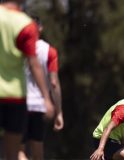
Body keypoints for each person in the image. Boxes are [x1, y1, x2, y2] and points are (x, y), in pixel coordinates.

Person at [0, 1, 54, 159]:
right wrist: (46, 97)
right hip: (15, 96)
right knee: (12, 153)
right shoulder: (25, 24)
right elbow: (33, 63)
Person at [17, 16, 64, 160]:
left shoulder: (17, 47)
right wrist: (59, 112)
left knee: (19, 151)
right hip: (40, 105)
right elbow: (54, 83)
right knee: (38, 152)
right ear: (41, 28)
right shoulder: (49, 51)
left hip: (20, 103)